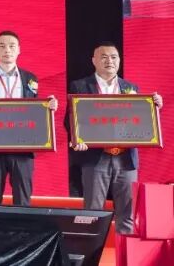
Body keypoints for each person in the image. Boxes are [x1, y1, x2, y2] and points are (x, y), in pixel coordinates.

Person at [67, 42, 163, 234]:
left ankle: (124, 252)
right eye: (103, 57)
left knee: (127, 214)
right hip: (95, 158)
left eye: (113, 57)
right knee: (92, 213)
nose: (109, 61)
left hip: (126, 159)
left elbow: (139, 120)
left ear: (119, 60)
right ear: (94, 61)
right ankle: (91, 252)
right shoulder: (81, 86)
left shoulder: (130, 87)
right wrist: (77, 139)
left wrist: (154, 108)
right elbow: (70, 120)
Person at [0, 31, 58, 206]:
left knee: (23, 202)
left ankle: (21, 226)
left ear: (19, 50)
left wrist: (49, 107)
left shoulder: (30, 78)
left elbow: (33, 111)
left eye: (11, 46)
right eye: (2, 46)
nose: (7, 50)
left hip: (23, 148)